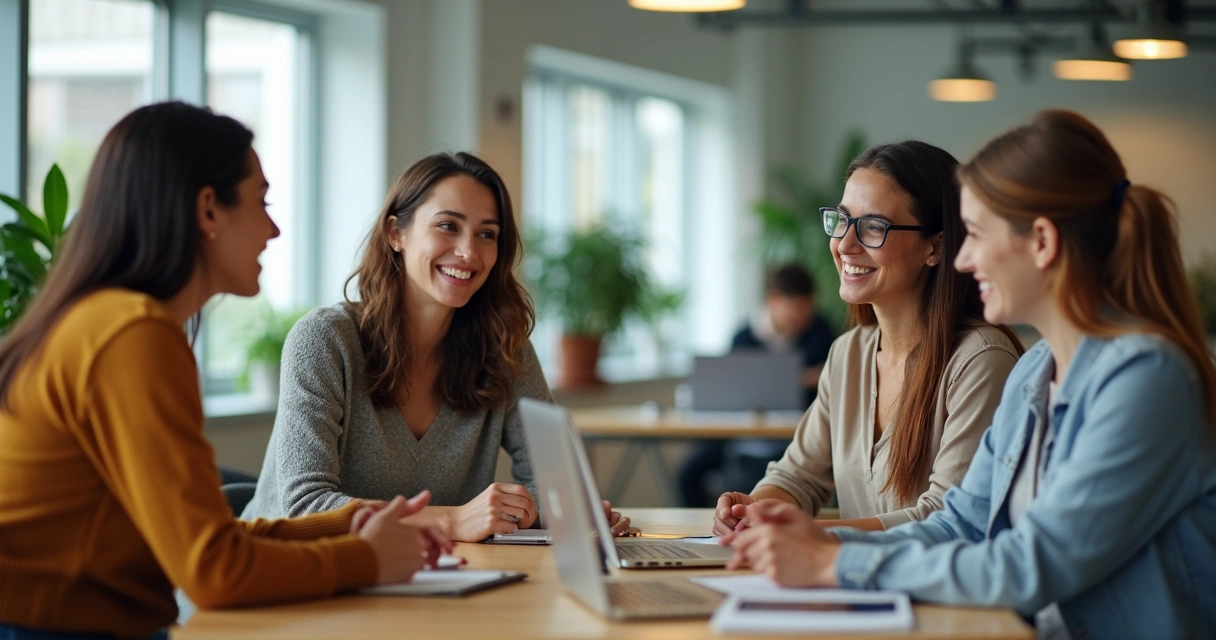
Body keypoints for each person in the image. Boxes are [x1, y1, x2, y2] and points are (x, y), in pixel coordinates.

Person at [725, 111, 1216, 639]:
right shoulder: (1035, 371)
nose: (964, 259)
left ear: (1043, 243)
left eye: (976, 234)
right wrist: (821, 544)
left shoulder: (1148, 379)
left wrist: (831, 563)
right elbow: (961, 524)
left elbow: (1031, 565)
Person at [0, 102, 451, 639]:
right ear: (209, 210)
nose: (275, 229)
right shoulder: (131, 335)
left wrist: (347, 525)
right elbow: (213, 571)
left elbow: (205, 539)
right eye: (262, 201)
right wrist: (367, 560)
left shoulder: (102, 320)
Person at [241, 152, 630, 542]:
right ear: (396, 233)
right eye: (448, 226)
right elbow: (304, 508)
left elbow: (553, 489)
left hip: (418, 580)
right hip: (282, 579)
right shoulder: (324, 341)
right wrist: (452, 521)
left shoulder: (504, 348)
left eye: (486, 234)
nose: (469, 252)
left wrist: (569, 513)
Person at [713, 141, 1023, 534]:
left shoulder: (981, 360)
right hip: (856, 587)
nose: (844, 245)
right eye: (841, 221)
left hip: (940, 595)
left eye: (874, 227)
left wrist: (813, 537)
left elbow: (948, 520)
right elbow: (798, 478)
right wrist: (753, 511)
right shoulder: (848, 353)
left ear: (936, 245)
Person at [678, 263, 836, 507]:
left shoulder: (821, 331)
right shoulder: (744, 337)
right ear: (774, 299)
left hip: (798, 434)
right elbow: (730, 388)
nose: (801, 318)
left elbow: (835, 378)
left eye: (807, 310)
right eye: (795, 309)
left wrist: (819, 376)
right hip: (742, 433)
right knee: (689, 471)